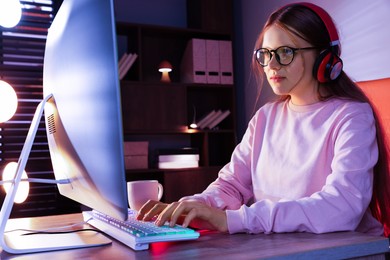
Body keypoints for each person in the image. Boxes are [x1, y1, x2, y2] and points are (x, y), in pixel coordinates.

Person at [137, 2, 390, 236]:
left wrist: (235, 220)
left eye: (285, 52)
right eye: (266, 54)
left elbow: (341, 207)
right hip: (284, 247)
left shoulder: (351, 116)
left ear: (325, 57)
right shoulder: (265, 118)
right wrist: (195, 205)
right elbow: (231, 185)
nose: (271, 65)